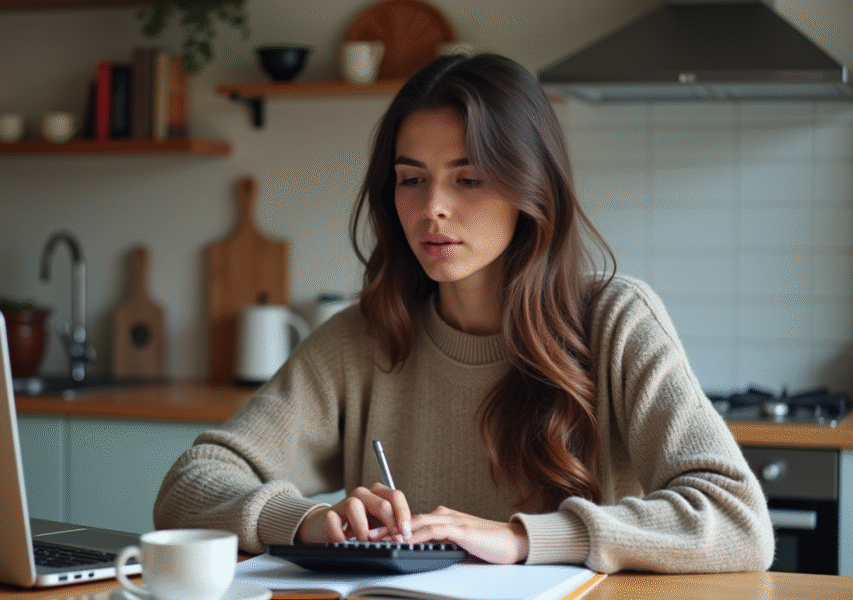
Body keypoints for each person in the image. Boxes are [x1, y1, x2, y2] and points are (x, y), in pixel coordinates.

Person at [154, 53, 774, 574]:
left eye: (468, 179)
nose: (432, 210)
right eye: (411, 180)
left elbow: (738, 522)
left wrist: (524, 538)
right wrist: (310, 521)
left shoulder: (617, 321)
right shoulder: (363, 337)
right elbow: (190, 485)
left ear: (530, 189)